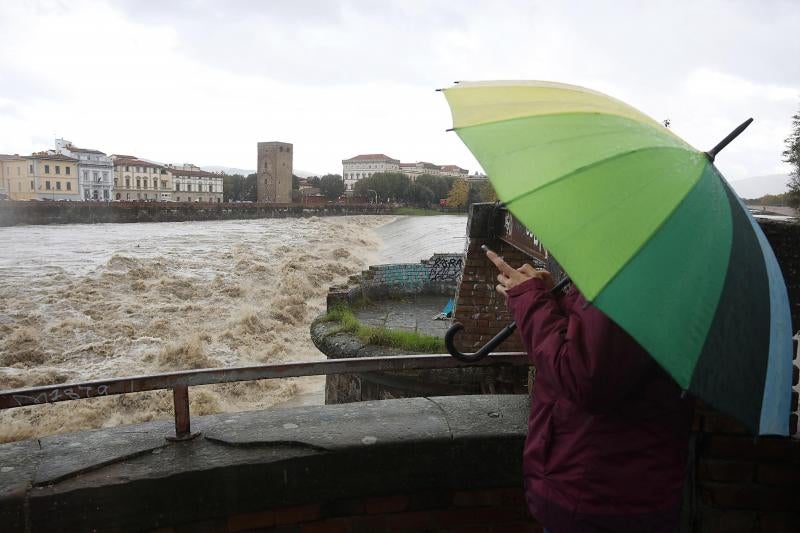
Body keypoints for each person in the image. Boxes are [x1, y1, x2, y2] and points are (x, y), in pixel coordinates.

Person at [487, 249, 693, 533]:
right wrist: (556, 302)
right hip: (635, 485)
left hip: (597, 494)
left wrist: (530, 299)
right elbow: (607, 345)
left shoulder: (625, 268)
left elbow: (583, 376)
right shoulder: (668, 264)